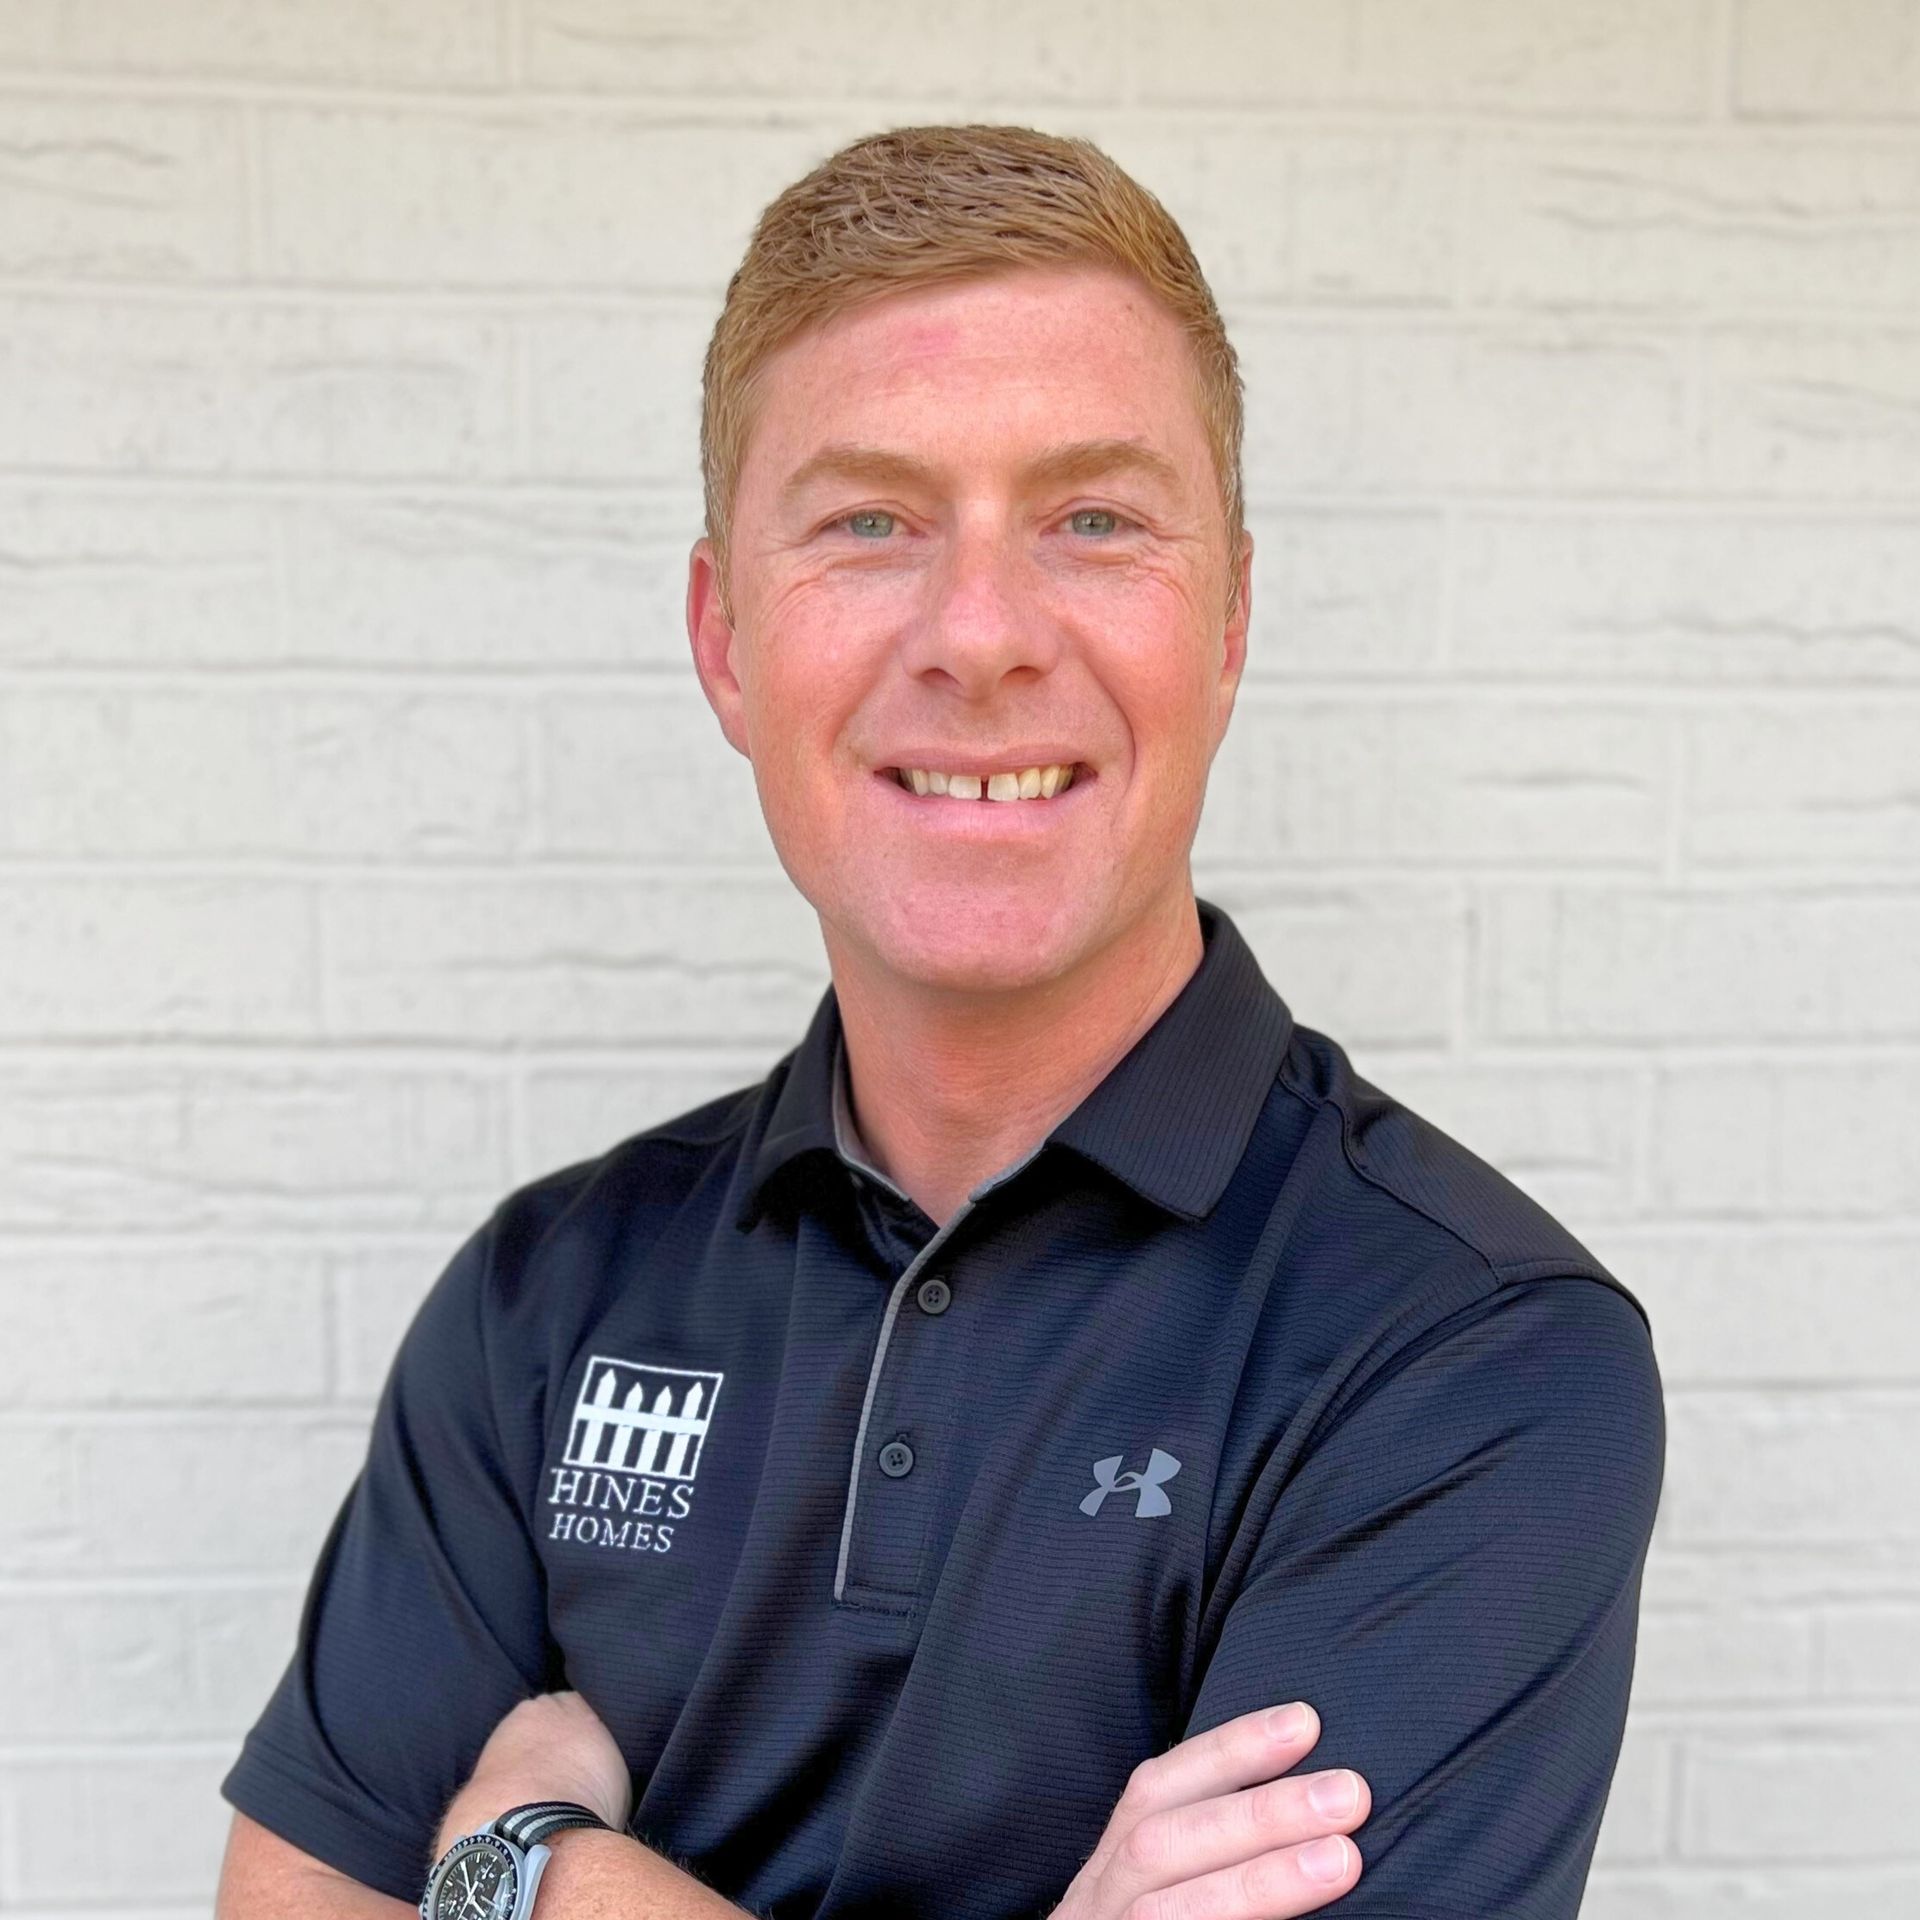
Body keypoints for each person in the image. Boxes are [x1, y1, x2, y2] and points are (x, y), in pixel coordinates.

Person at [214, 123, 1664, 1920]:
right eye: (872, 522)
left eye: (1094, 519)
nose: (980, 636)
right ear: (728, 641)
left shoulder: (1463, 1358)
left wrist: (533, 1869)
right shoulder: (546, 1301)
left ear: (1226, 627)